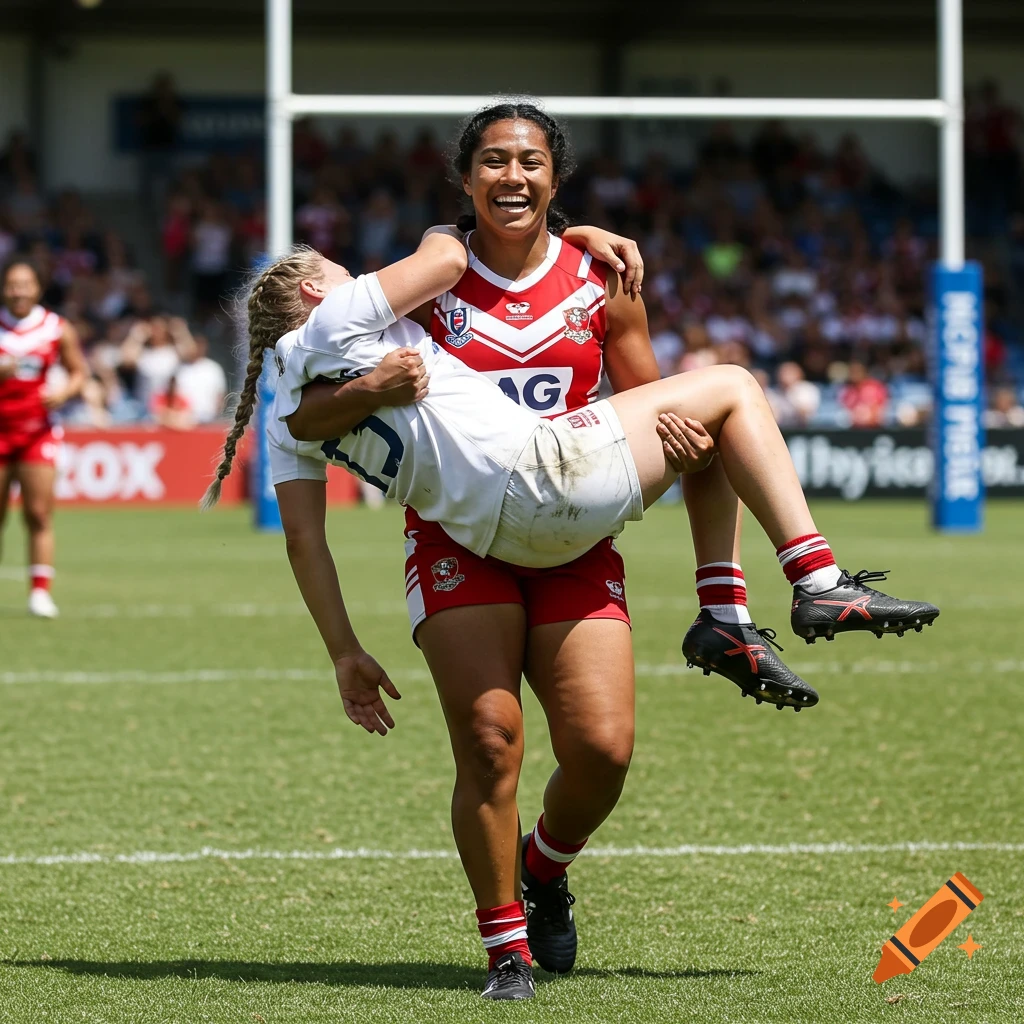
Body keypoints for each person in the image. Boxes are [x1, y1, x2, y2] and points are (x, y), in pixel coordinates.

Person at [202, 232, 941, 998]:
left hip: (527, 508)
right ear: (319, 294)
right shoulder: (339, 322)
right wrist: (499, 237)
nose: (358, 274)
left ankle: (540, 874)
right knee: (737, 390)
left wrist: (344, 649)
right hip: (535, 483)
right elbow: (450, 257)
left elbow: (303, 538)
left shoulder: (288, 397)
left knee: (600, 750)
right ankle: (792, 584)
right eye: (341, 271)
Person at [278, 105, 781, 991]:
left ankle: (543, 869)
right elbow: (308, 408)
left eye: (533, 163)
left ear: (558, 177)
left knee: (602, 751)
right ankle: (504, 947)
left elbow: (654, 399)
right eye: (495, 162)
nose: (513, 177)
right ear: (464, 177)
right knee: (489, 739)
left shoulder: (603, 277)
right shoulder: (412, 288)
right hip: (459, 539)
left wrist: (685, 440)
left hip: (573, 529)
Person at [0, 258, 87, 617]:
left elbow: (78, 372)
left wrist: (63, 393)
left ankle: (39, 592)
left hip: (37, 431)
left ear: (37, 288)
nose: (18, 291)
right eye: (11, 284)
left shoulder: (55, 328)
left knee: (38, 512)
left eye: (25, 284)